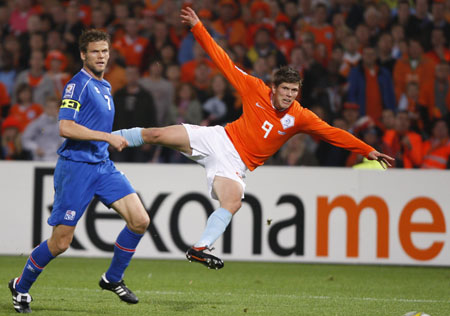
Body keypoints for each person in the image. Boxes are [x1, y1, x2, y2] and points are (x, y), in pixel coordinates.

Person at [113, 7, 393, 270]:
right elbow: (223, 61)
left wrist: (368, 150)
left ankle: (199, 248)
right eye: (285, 90)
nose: (289, 96)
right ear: (274, 87)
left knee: (232, 203)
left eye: (294, 91)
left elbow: (333, 133)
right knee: (157, 134)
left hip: (236, 164)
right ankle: (104, 139)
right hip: (219, 138)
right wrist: (198, 27)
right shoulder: (254, 88)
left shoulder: (300, 116)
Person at [8, 29, 150, 313]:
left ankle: (112, 278)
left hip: (102, 166)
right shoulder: (77, 85)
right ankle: (20, 286)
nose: (101, 56)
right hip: (76, 168)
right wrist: (107, 137)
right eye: (96, 51)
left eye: (105, 51)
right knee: (61, 243)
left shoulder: (106, 86)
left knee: (140, 220)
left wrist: (113, 137)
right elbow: (65, 127)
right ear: (83, 55)